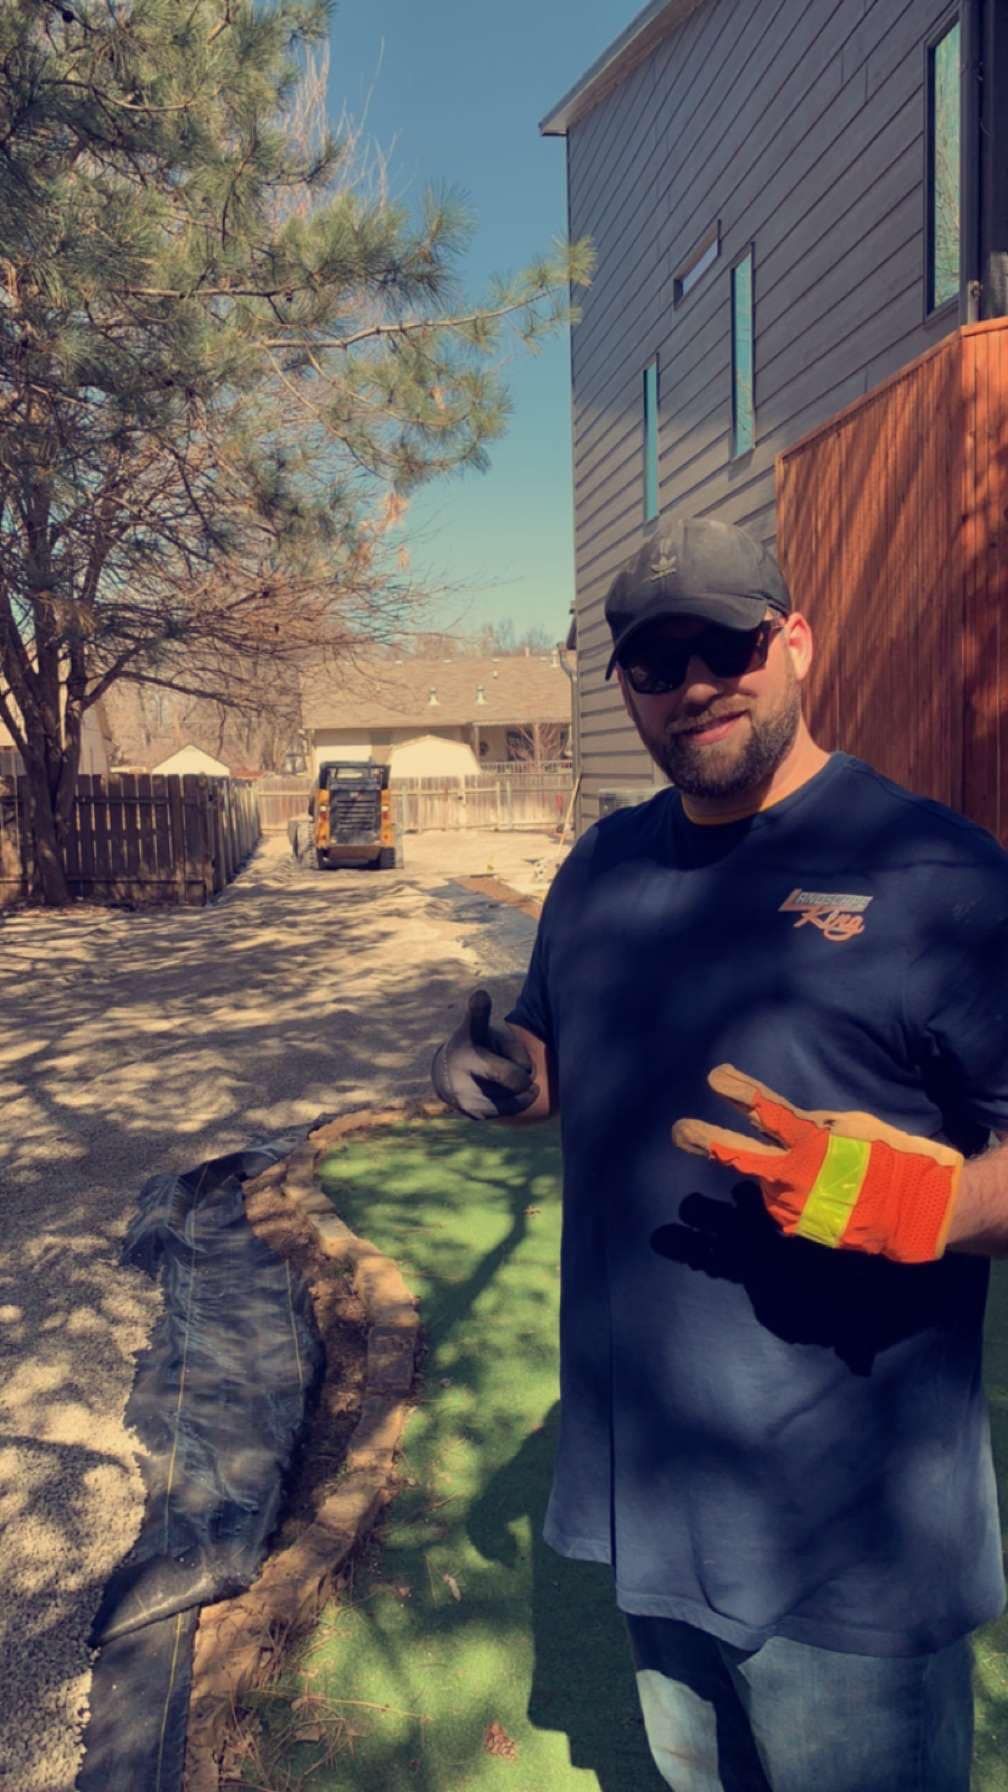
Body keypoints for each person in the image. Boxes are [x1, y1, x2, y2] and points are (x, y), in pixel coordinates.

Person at [429, 515, 1008, 1792]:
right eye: (654, 660)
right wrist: (504, 1078)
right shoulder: (599, 869)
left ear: (795, 640)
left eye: (726, 645)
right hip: (658, 1517)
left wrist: (927, 1196)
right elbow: (556, 1060)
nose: (692, 685)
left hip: (854, 1546)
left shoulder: (941, 876)